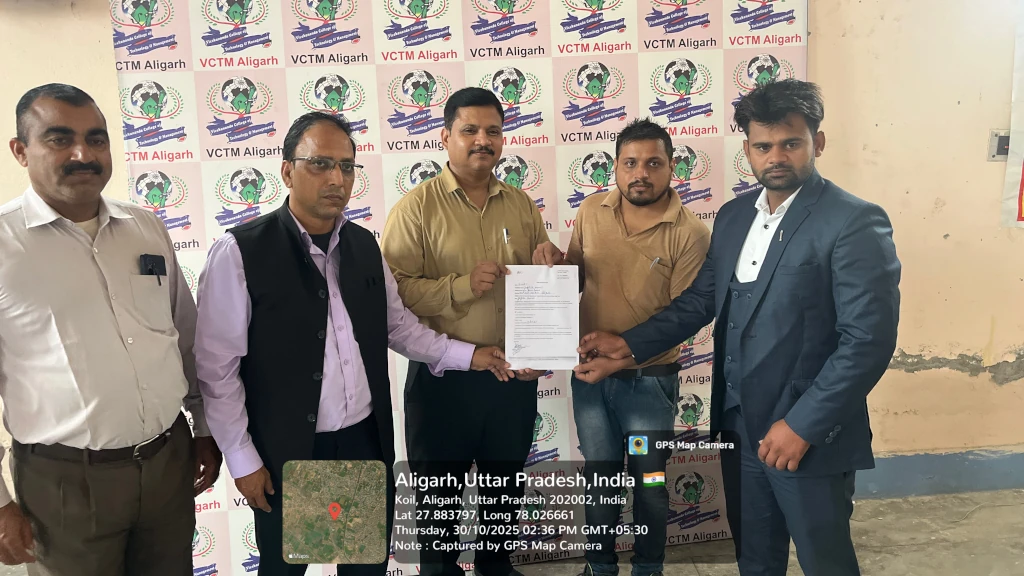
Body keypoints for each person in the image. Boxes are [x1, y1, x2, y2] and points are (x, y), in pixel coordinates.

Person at [575, 79, 901, 576]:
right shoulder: (732, 218)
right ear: (747, 150)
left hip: (806, 435)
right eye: (763, 146)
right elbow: (699, 302)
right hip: (738, 427)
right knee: (754, 559)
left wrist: (804, 425)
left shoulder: (852, 221)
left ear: (817, 142)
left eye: (791, 143)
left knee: (826, 562)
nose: (777, 157)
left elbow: (868, 342)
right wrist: (627, 345)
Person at [194, 111, 512, 576]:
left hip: (363, 441)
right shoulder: (240, 252)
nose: (336, 179)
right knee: (285, 570)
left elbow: (399, 327)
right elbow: (217, 369)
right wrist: (243, 459)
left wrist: (470, 356)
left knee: (364, 568)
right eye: (320, 164)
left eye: (346, 166)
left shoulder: (363, 246)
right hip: (289, 451)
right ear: (287, 171)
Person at [0, 83, 222, 575]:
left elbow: (185, 339)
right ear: (21, 150)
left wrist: (205, 428)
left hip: (168, 465)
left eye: (96, 139)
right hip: (65, 485)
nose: (83, 154)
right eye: (60, 139)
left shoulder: (145, 227)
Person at [380, 87, 563, 576]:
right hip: (444, 380)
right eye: (470, 130)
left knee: (504, 492)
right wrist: (461, 286)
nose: (483, 140)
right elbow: (394, 294)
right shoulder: (416, 208)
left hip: (511, 379)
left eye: (493, 131)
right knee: (438, 501)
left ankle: (494, 568)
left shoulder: (521, 205)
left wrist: (550, 262)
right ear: (446, 137)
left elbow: (540, 282)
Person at [543, 118, 710, 576]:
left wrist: (618, 357)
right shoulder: (592, 210)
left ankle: (648, 569)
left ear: (672, 167)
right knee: (600, 480)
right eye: (630, 163)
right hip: (590, 380)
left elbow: (682, 318)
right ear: (615, 166)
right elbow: (577, 276)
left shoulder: (690, 233)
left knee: (649, 484)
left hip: (648, 384)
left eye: (653, 163)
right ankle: (599, 568)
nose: (641, 173)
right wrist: (553, 267)